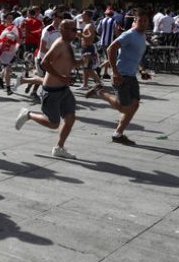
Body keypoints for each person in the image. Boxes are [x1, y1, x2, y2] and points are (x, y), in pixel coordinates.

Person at [15, 20, 91, 159]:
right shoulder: (59, 44)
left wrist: (83, 61)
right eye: (73, 30)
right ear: (63, 30)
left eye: (76, 29)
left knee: (70, 118)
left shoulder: (69, 45)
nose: (76, 32)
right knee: (53, 124)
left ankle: (59, 148)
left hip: (64, 90)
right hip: (52, 90)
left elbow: (72, 63)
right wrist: (61, 77)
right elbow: (44, 63)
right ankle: (28, 115)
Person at [86, 8, 151, 146]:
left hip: (131, 75)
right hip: (121, 74)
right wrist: (115, 72)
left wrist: (142, 70)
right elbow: (111, 48)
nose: (144, 23)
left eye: (146, 21)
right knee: (123, 108)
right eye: (141, 21)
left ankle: (118, 134)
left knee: (134, 105)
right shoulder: (129, 34)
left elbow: (135, 55)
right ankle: (100, 91)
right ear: (135, 21)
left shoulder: (142, 35)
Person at [78, 10, 101, 90]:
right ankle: (85, 84)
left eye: (83, 15)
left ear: (88, 16)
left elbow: (90, 37)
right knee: (85, 67)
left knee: (88, 68)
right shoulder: (86, 25)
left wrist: (81, 35)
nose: (82, 17)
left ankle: (99, 82)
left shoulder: (90, 26)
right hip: (85, 48)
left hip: (88, 48)